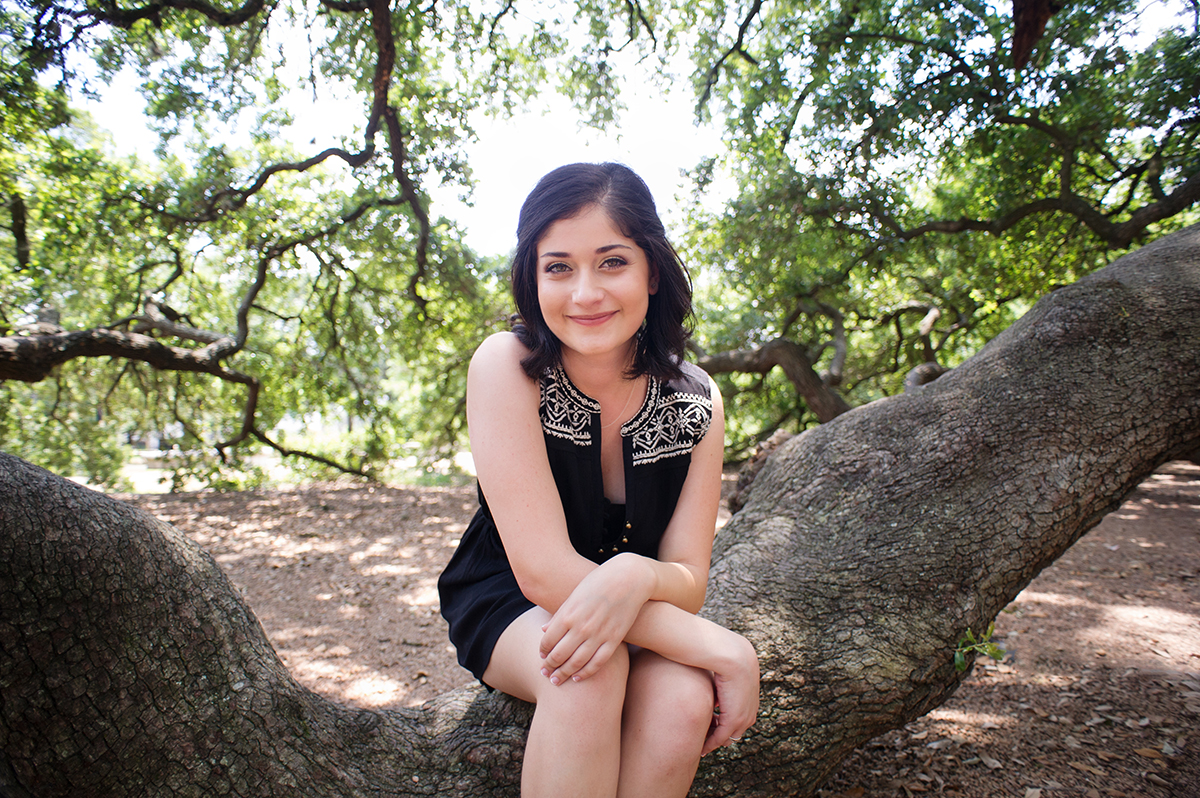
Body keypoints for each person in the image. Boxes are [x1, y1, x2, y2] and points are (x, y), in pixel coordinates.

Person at [438, 162, 759, 798]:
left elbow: (688, 579)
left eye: (612, 262)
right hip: (512, 598)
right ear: (533, 279)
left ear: (652, 271)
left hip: (641, 608)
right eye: (558, 267)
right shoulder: (507, 365)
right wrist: (727, 650)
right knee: (588, 672)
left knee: (684, 701)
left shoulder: (697, 400)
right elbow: (543, 572)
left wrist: (637, 575)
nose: (585, 293)